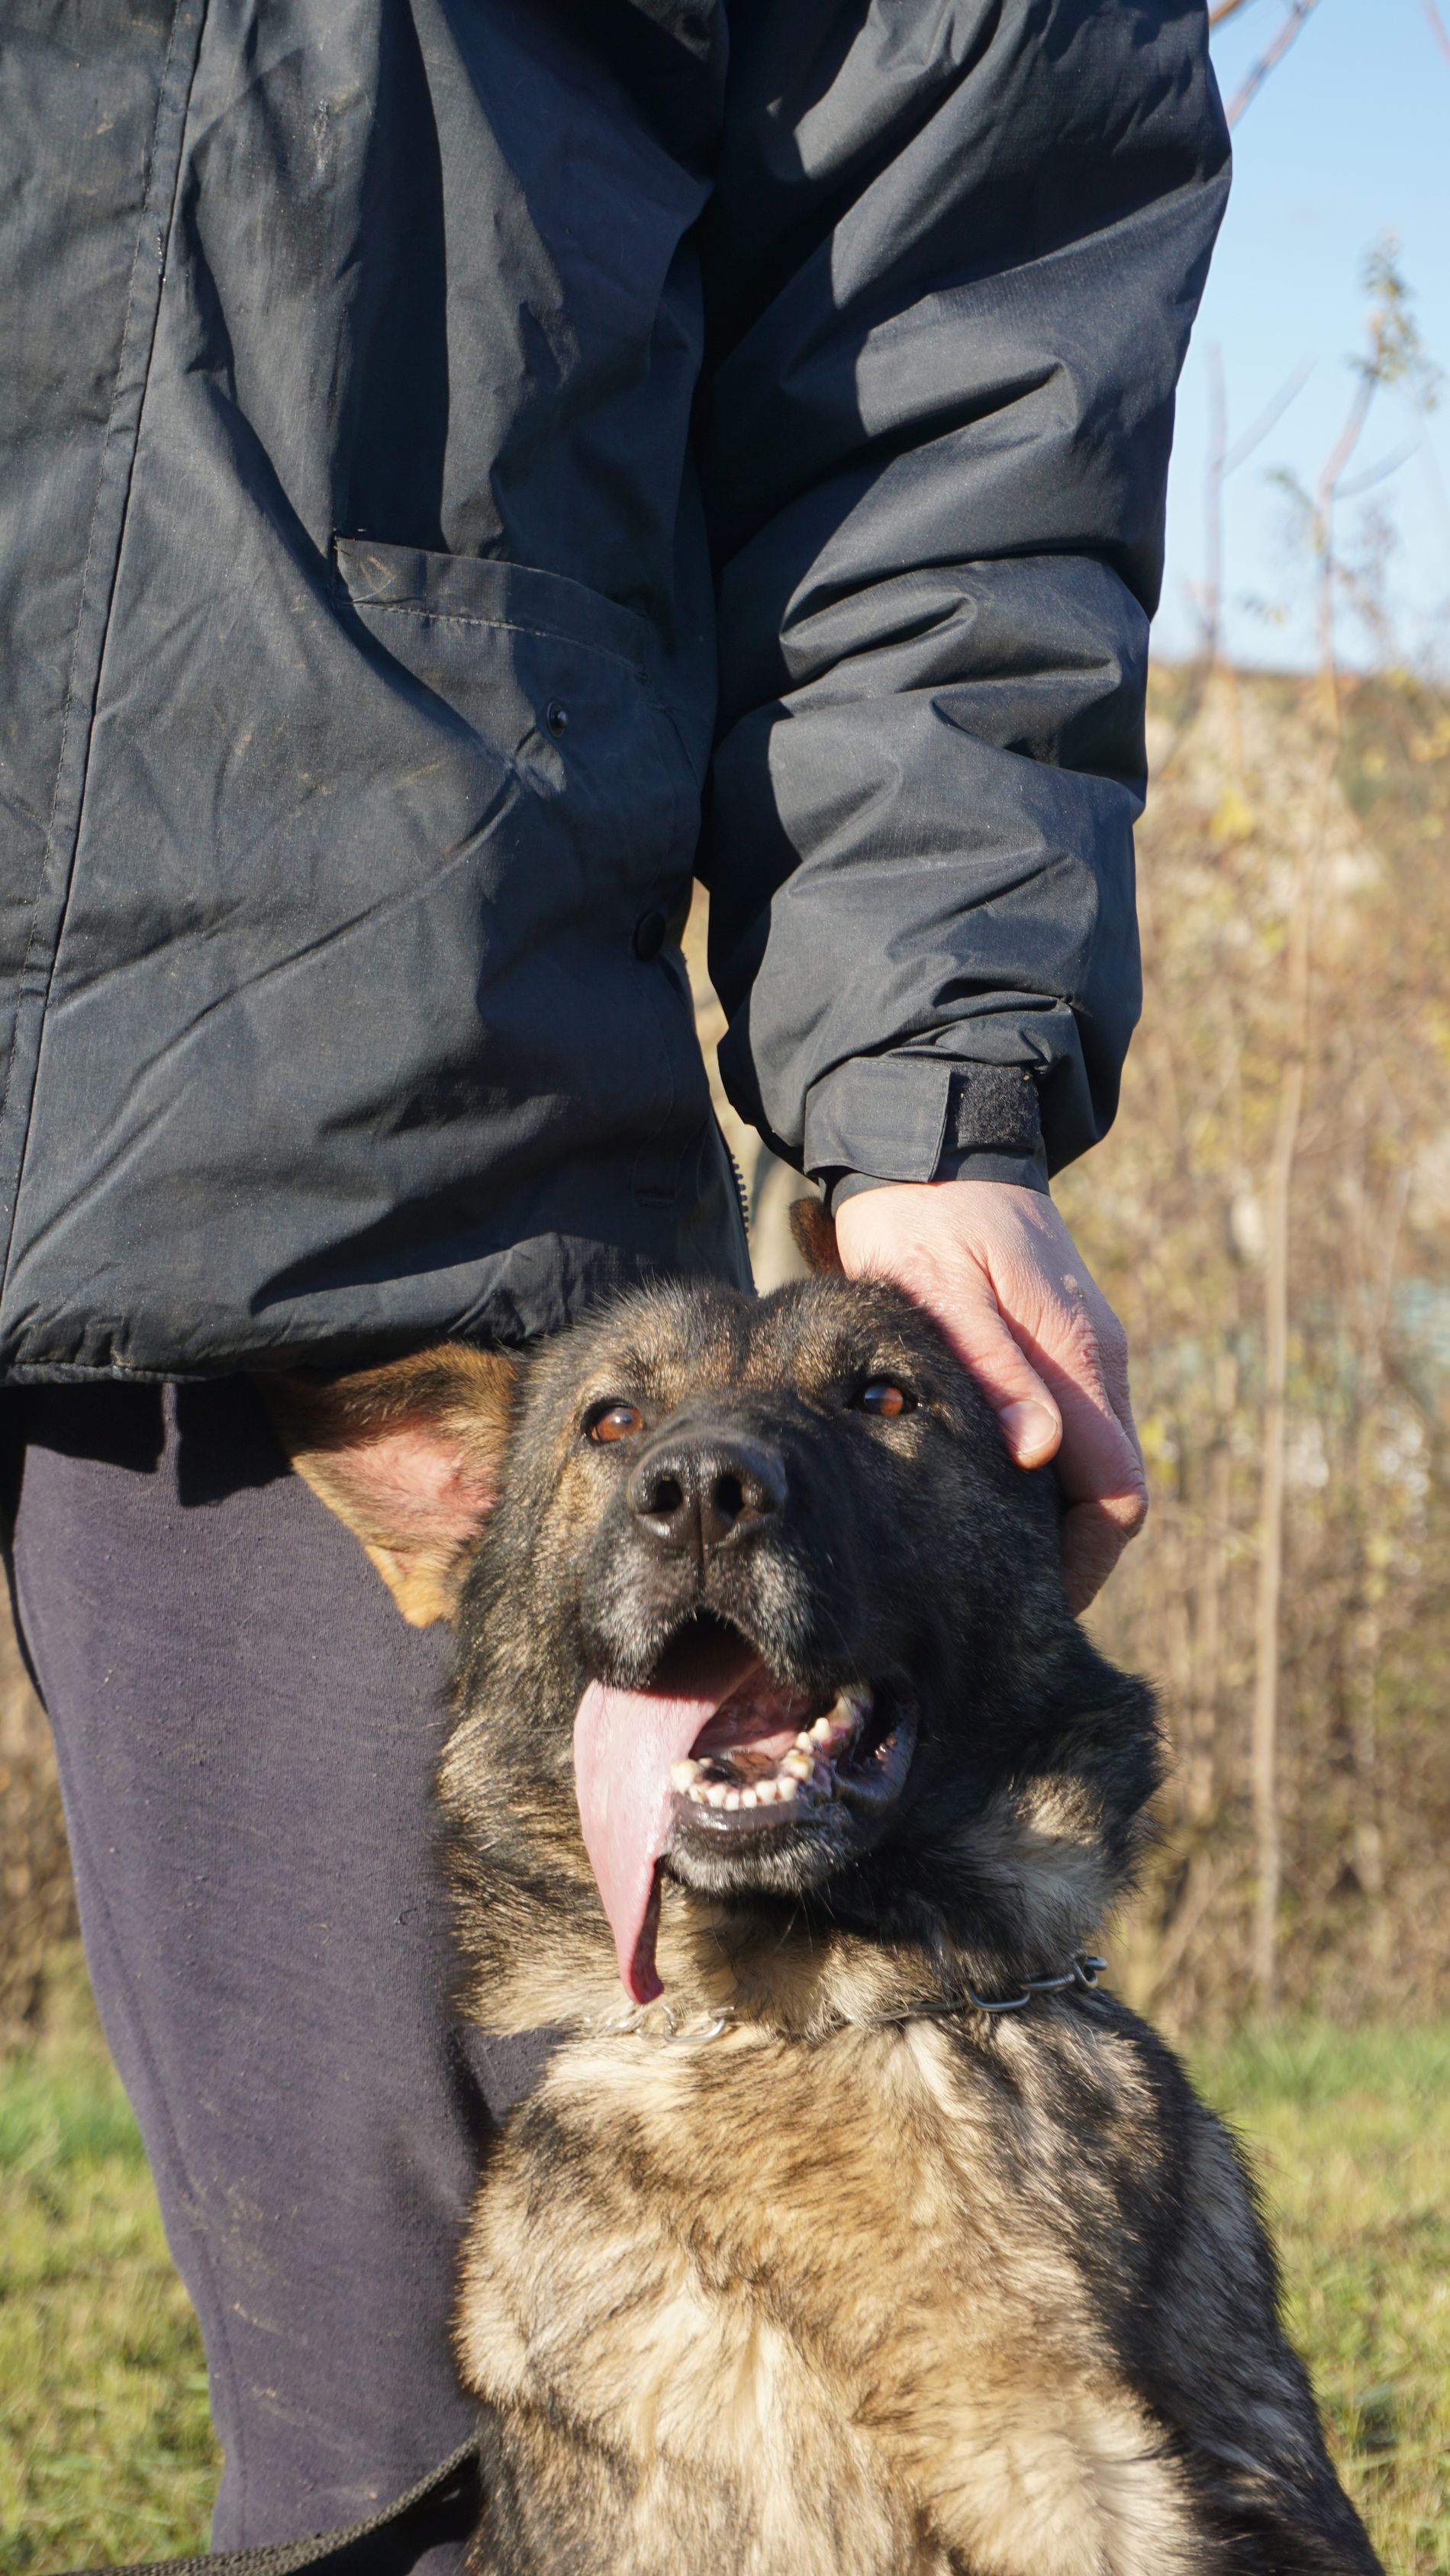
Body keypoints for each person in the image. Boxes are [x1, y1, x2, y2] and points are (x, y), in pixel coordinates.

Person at [1, 2, 1228, 2562]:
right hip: (335, 1091)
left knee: (445, 2428)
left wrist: (932, 1088)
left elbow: (953, 316)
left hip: (333, 1110)